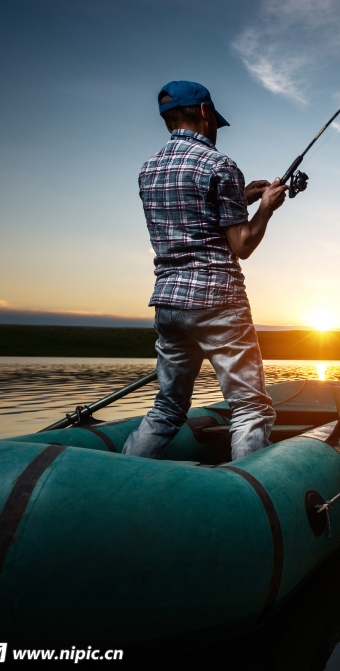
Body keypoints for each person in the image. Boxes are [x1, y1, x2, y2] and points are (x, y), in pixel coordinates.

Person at [122, 80, 287, 461]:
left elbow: (188, 212)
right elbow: (242, 245)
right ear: (203, 113)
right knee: (250, 407)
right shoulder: (219, 164)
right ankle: (248, 498)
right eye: (214, 119)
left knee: (167, 409)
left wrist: (239, 195)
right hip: (217, 301)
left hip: (168, 302)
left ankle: (119, 478)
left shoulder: (148, 171)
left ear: (167, 121)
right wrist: (265, 208)